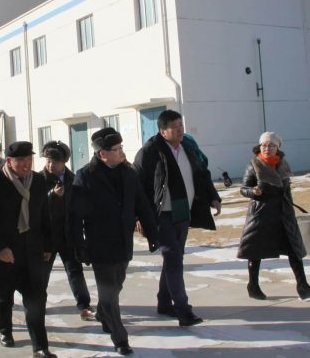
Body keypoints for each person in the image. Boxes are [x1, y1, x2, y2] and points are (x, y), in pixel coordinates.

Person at [70, 128, 159, 355]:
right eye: (117, 149)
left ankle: (102, 313)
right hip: (99, 245)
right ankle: (120, 339)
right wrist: (80, 246)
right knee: (109, 293)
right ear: (103, 154)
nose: (121, 152)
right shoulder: (85, 176)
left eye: (121, 147)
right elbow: (75, 217)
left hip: (123, 243)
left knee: (117, 285)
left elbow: (142, 205)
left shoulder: (129, 173)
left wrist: (152, 234)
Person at [133, 109, 221, 326]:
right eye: (174, 127)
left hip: (183, 211)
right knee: (173, 258)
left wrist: (213, 196)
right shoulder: (149, 152)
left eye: (181, 126)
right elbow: (137, 186)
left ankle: (164, 303)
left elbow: (202, 173)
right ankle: (183, 311)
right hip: (161, 215)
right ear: (162, 131)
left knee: (174, 257)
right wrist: (138, 217)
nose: (180, 130)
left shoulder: (188, 147)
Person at [0, 141, 56, 358]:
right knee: (4, 296)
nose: (26, 164)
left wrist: (48, 245)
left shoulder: (38, 180)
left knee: (36, 299)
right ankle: (5, 331)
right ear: (9, 161)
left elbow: (44, 214)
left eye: (29, 159)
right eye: (21, 160)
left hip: (32, 251)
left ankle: (40, 347)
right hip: (6, 251)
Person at [237, 131, 310, 300]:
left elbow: (286, 191)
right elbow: (243, 189)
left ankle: (303, 286)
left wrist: (290, 209)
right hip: (261, 215)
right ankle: (253, 286)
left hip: (283, 214)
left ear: (277, 148)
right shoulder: (254, 165)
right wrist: (253, 191)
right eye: (264, 145)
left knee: (294, 249)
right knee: (255, 251)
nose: (266, 148)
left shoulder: (283, 164)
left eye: (271, 145)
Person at [40, 140, 96, 321]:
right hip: (47, 237)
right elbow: (35, 206)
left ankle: (84, 305)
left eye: (55, 162)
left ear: (64, 162)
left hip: (68, 235)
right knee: (42, 274)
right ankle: (38, 304)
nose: (50, 165)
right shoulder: (39, 179)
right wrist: (52, 196)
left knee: (74, 271)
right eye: (48, 161)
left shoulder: (73, 179)